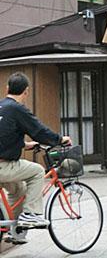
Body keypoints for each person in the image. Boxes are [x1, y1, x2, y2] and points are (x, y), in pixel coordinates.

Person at [0, 72, 71, 243]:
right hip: (4, 166)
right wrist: (60, 139)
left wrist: (24, 145)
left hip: (3, 166)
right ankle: (31, 214)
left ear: (7, 88)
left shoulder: (2, 106)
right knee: (38, 171)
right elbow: (39, 131)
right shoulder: (17, 109)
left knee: (19, 190)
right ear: (26, 91)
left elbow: (5, 135)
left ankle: (15, 231)